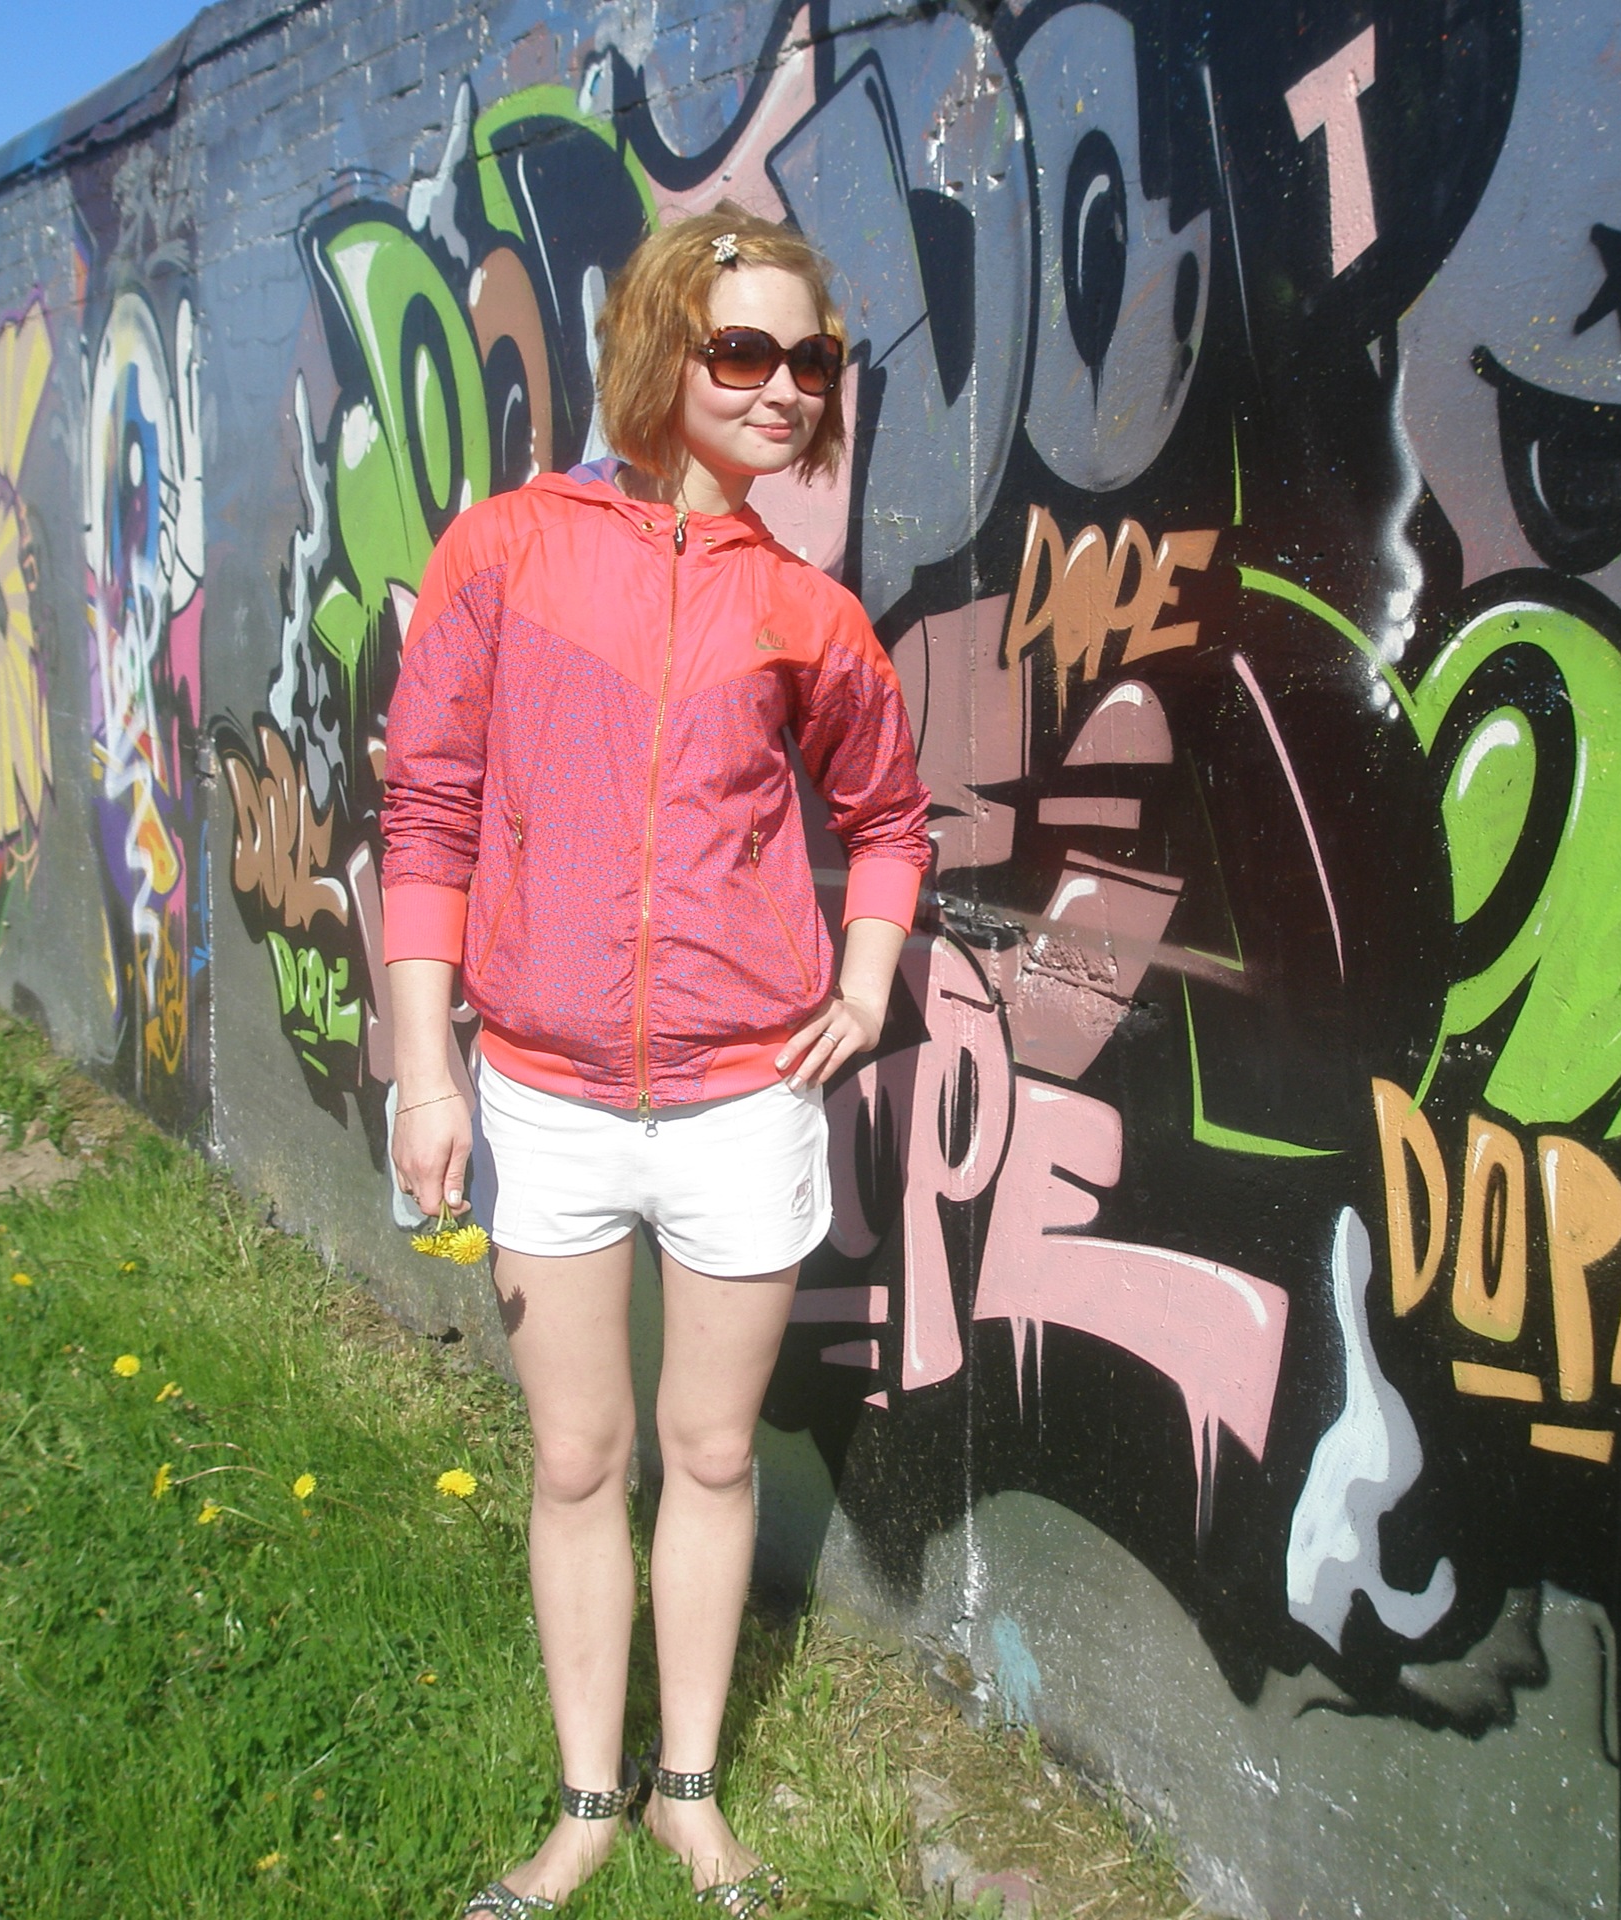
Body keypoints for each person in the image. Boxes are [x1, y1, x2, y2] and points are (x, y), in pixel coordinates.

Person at [380, 207, 931, 1918]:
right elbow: (427, 814)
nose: (783, 388)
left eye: (811, 360)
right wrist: (426, 1071)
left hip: (743, 1105)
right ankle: (584, 1808)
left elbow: (891, 823)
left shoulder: (807, 613)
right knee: (574, 1460)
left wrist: (865, 984)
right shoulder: (507, 552)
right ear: (661, 348)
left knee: (710, 1454)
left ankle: (689, 1798)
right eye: (743, 349)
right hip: (542, 1096)